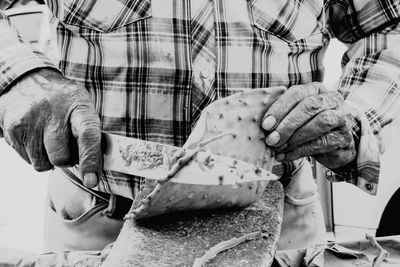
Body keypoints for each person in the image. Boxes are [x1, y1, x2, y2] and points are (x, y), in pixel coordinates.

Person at [0, 0, 399, 253]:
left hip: (279, 224)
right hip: (99, 222)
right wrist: (19, 79)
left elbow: (386, 30)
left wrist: (354, 113)